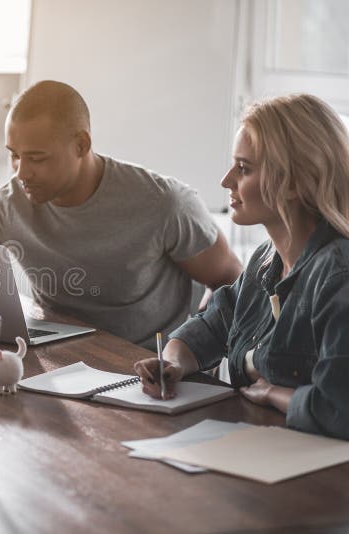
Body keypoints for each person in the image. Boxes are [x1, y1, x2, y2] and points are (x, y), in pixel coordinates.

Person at [0, 80, 242, 348]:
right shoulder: (7, 204)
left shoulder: (164, 203)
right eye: (14, 154)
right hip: (54, 363)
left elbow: (232, 283)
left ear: (81, 145)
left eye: (36, 158)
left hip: (147, 372)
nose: (21, 172)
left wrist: (193, 347)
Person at [134, 94, 349, 440]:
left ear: (296, 182)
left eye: (244, 169)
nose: (226, 180)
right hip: (264, 444)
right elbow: (214, 324)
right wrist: (172, 362)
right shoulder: (266, 261)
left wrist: (275, 394)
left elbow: (340, 409)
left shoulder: (338, 275)